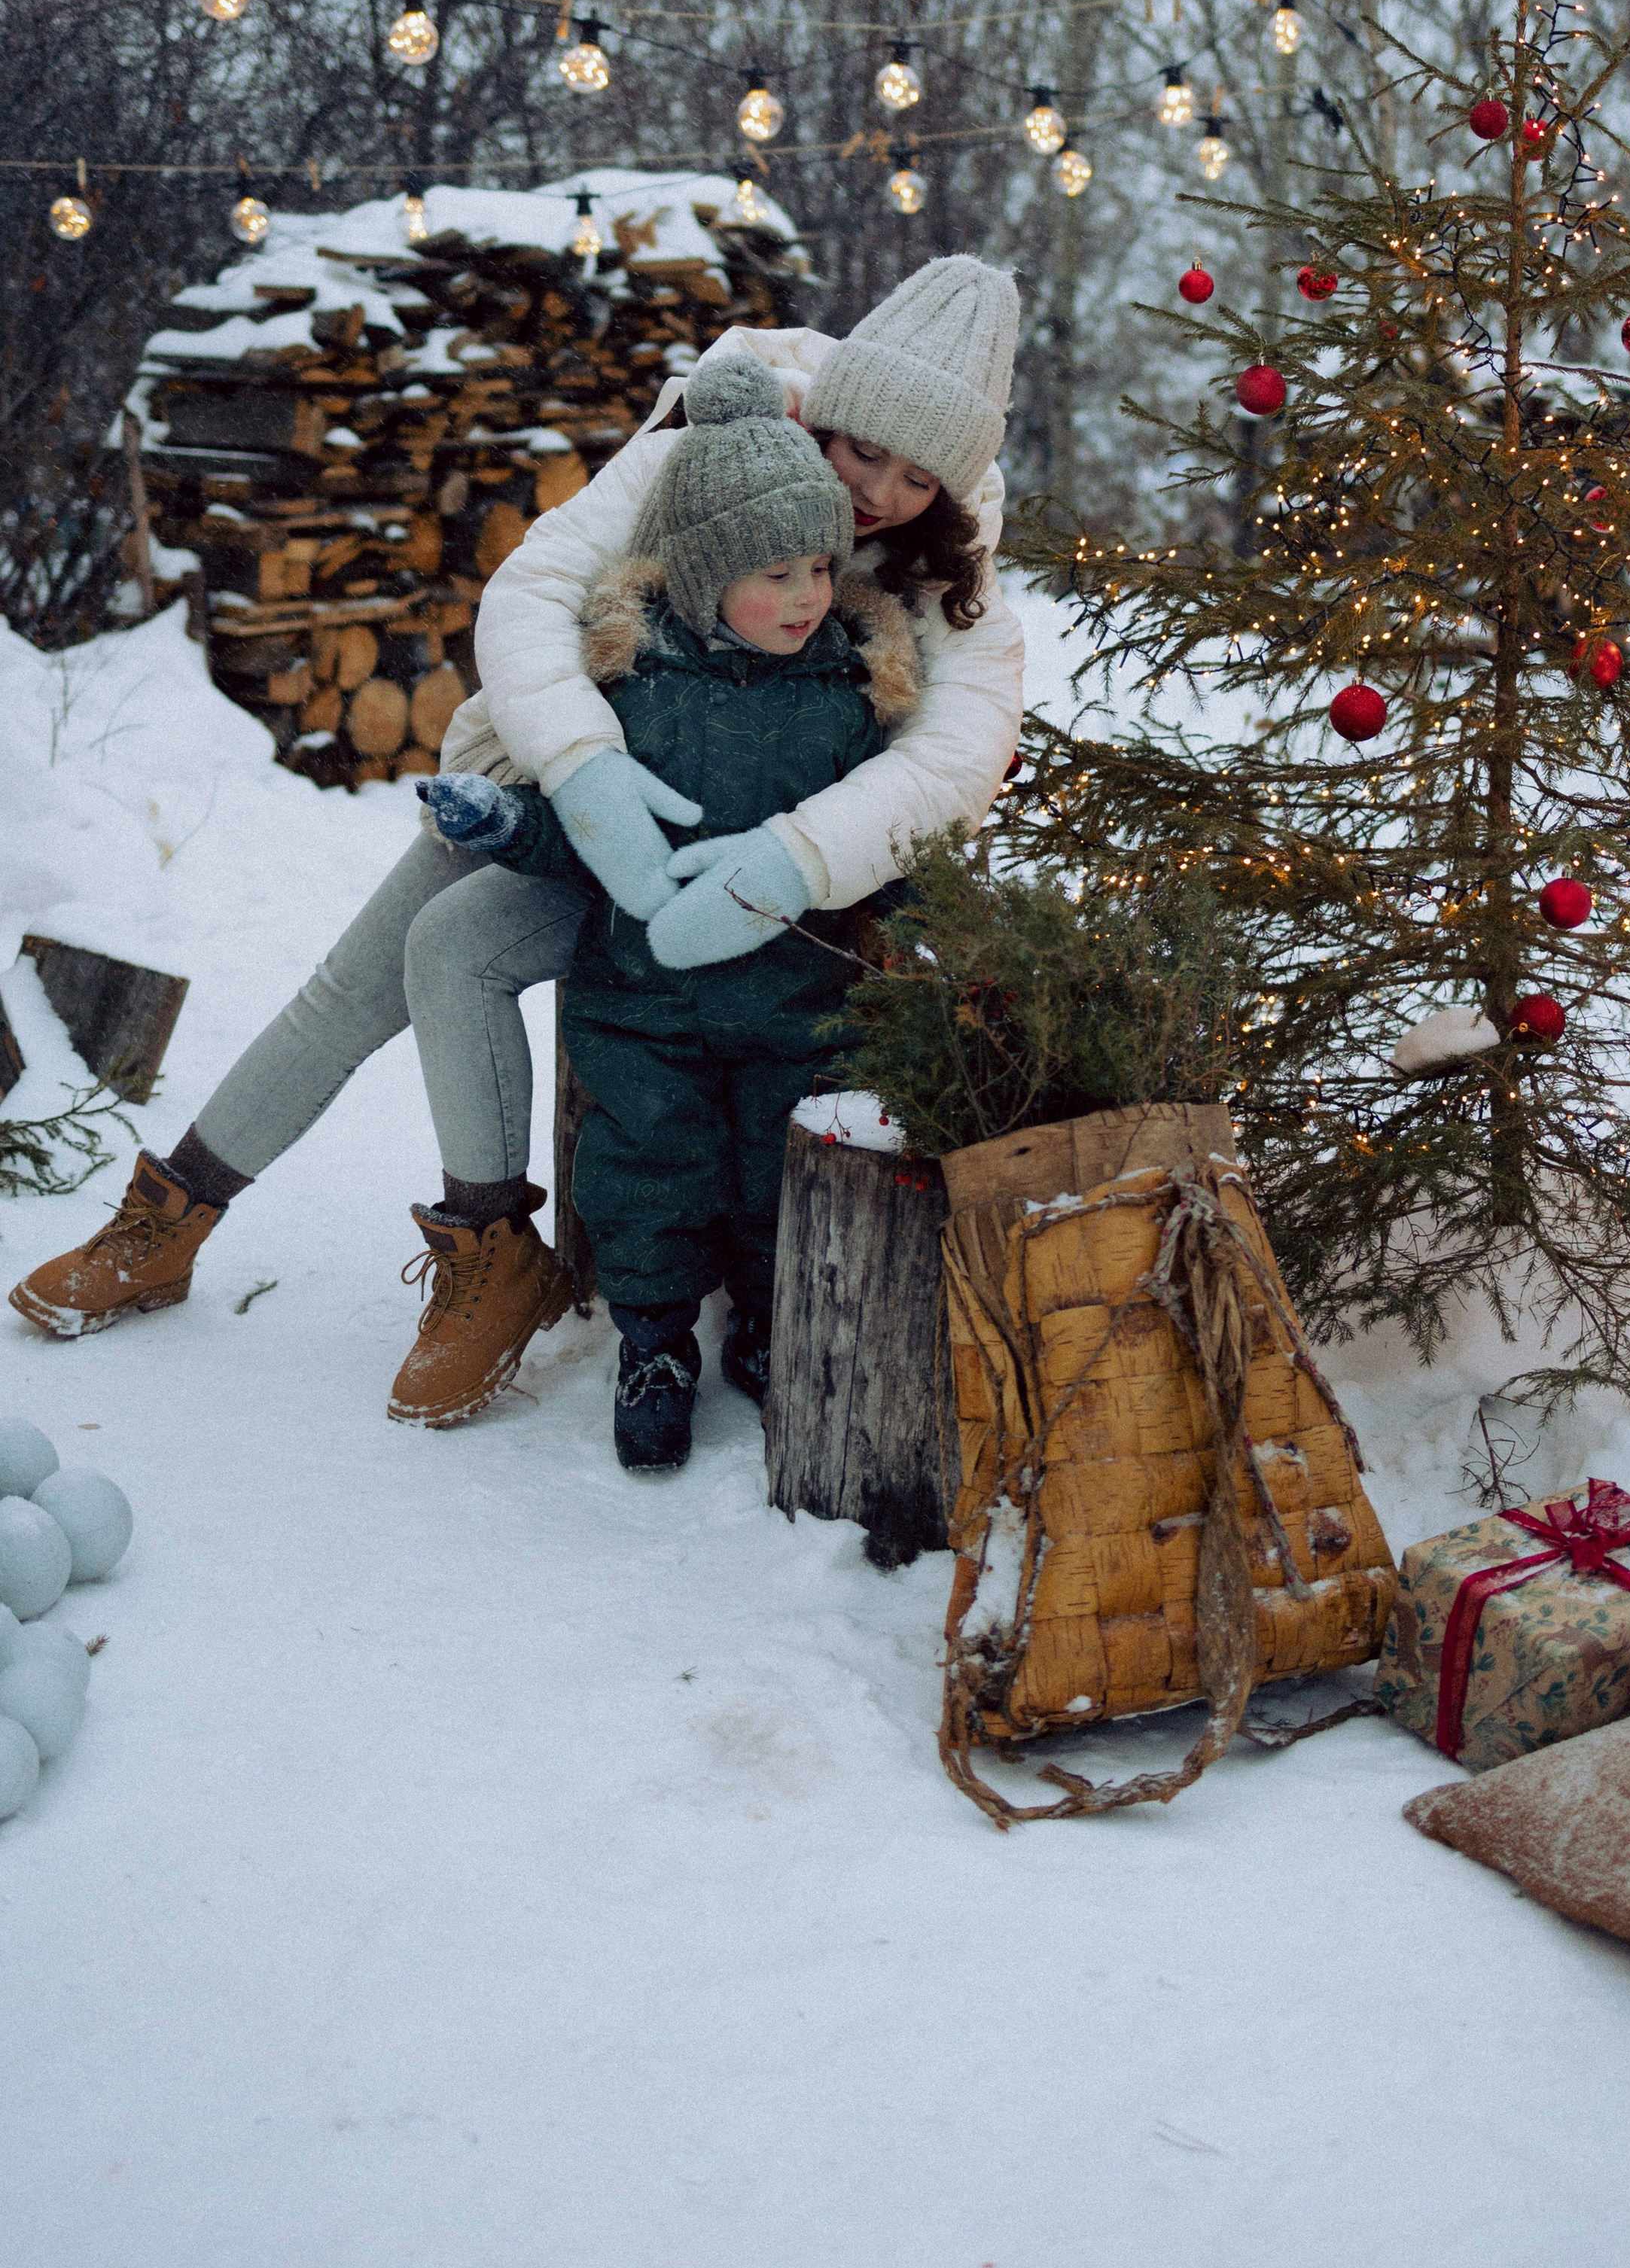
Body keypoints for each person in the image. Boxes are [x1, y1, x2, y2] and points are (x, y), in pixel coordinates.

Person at [11, 255, 1023, 1426]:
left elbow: (954, 758)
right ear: (832, 409)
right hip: (567, 788)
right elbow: (535, 588)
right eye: (865, 451)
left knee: (454, 950)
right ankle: (173, 1220)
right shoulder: (718, 443)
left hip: (746, 869)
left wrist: (791, 859)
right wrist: (587, 775)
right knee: (361, 977)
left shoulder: (957, 576)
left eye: (917, 476)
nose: (878, 494)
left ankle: (504, 1253)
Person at [417, 353, 919, 1469]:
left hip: (799, 1007)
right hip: (644, 1009)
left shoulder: (847, 701)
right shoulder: (632, 688)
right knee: (647, 1177)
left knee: (773, 1184)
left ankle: (766, 1325)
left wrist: (922, 897)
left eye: (817, 570)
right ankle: (654, 1344)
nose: (804, 597)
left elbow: (877, 841)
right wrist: (504, 823)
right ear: (700, 576)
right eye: (772, 573)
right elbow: (587, 836)